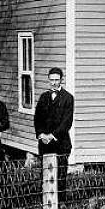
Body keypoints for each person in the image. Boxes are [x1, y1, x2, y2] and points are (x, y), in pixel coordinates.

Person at [34, 67, 74, 202]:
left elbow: (66, 122)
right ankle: (46, 200)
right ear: (48, 80)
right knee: (46, 171)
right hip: (44, 142)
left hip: (60, 142)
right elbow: (37, 118)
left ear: (61, 80)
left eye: (57, 80)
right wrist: (41, 135)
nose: (54, 83)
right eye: (52, 80)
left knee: (60, 173)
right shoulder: (43, 97)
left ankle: (60, 201)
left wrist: (51, 136)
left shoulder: (68, 98)